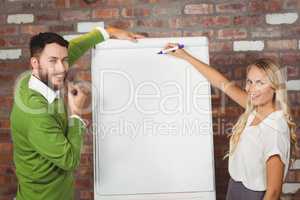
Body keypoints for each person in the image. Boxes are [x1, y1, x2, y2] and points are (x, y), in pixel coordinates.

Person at [10, 26, 144, 200]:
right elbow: (70, 161)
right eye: (53, 61)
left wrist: (108, 32)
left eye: (64, 60)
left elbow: (74, 48)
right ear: (35, 63)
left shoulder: (33, 79)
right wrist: (76, 113)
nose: (62, 68)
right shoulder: (36, 112)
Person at [163, 43, 297, 200]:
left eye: (260, 83)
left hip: (254, 195)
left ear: (274, 88)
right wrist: (185, 56)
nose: (251, 89)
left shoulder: (275, 130)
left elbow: (273, 192)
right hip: (235, 188)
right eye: (249, 81)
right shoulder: (255, 107)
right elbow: (221, 82)